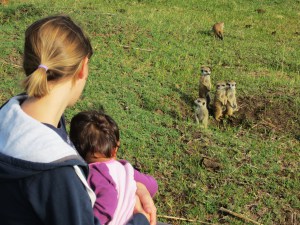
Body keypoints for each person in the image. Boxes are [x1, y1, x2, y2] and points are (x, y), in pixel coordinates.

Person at [0, 15, 156, 225]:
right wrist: (140, 220)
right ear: (83, 67)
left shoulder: (10, 117)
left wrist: (130, 185)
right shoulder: (58, 174)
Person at [70, 110, 158, 225]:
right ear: (115, 149)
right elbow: (153, 185)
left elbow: (107, 200)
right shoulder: (126, 169)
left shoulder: (93, 173)